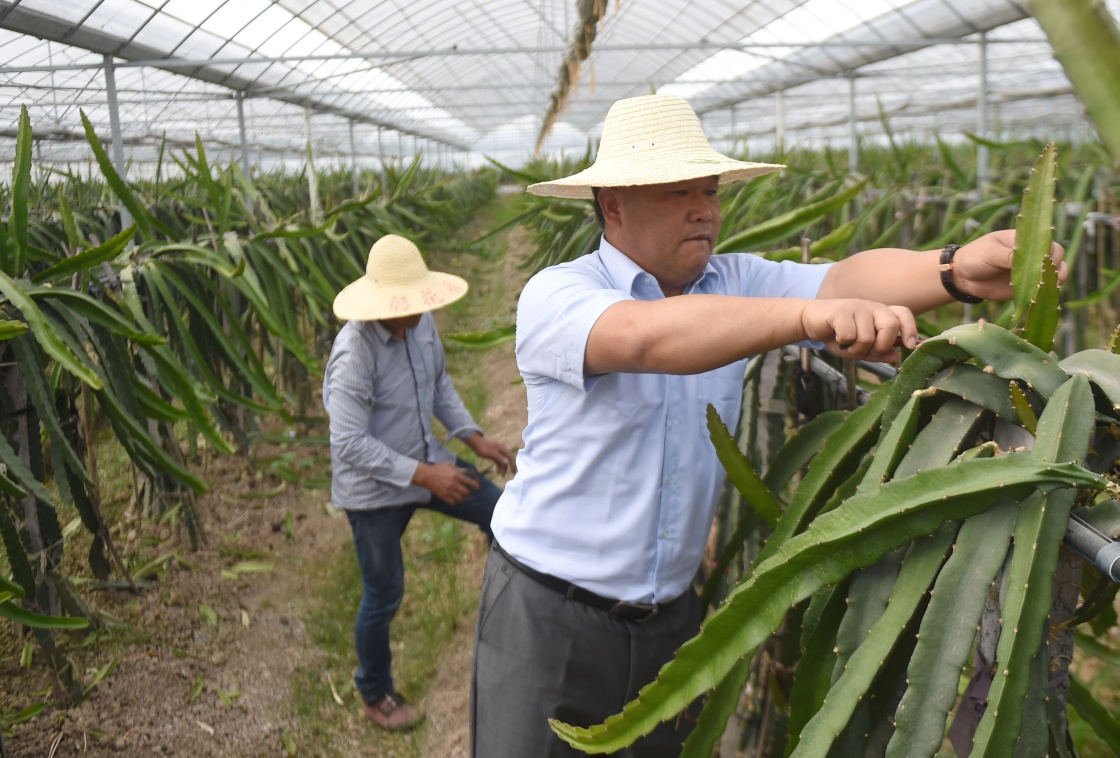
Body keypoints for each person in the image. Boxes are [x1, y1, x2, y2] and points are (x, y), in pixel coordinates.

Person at [470, 94, 1067, 757]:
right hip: (547, 612)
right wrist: (806, 320)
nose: (705, 209)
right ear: (613, 205)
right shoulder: (558, 294)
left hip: (672, 619)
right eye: (678, 193)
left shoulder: (733, 280)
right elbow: (645, 340)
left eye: (710, 190)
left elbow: (841, 277)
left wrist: (952, 270)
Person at [324, 234, 517, 731]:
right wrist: (426, 474)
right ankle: (374, 692)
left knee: (503, 514)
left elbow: (438, 385)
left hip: (424, 461)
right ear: (381, 304)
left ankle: (517, 624)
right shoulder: (354, 355)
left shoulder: (421, 323)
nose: (417, 311)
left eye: (419, 300)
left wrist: (474, 439)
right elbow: (348, 444)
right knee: (383, 592)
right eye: (406, 304)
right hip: (373, 492)